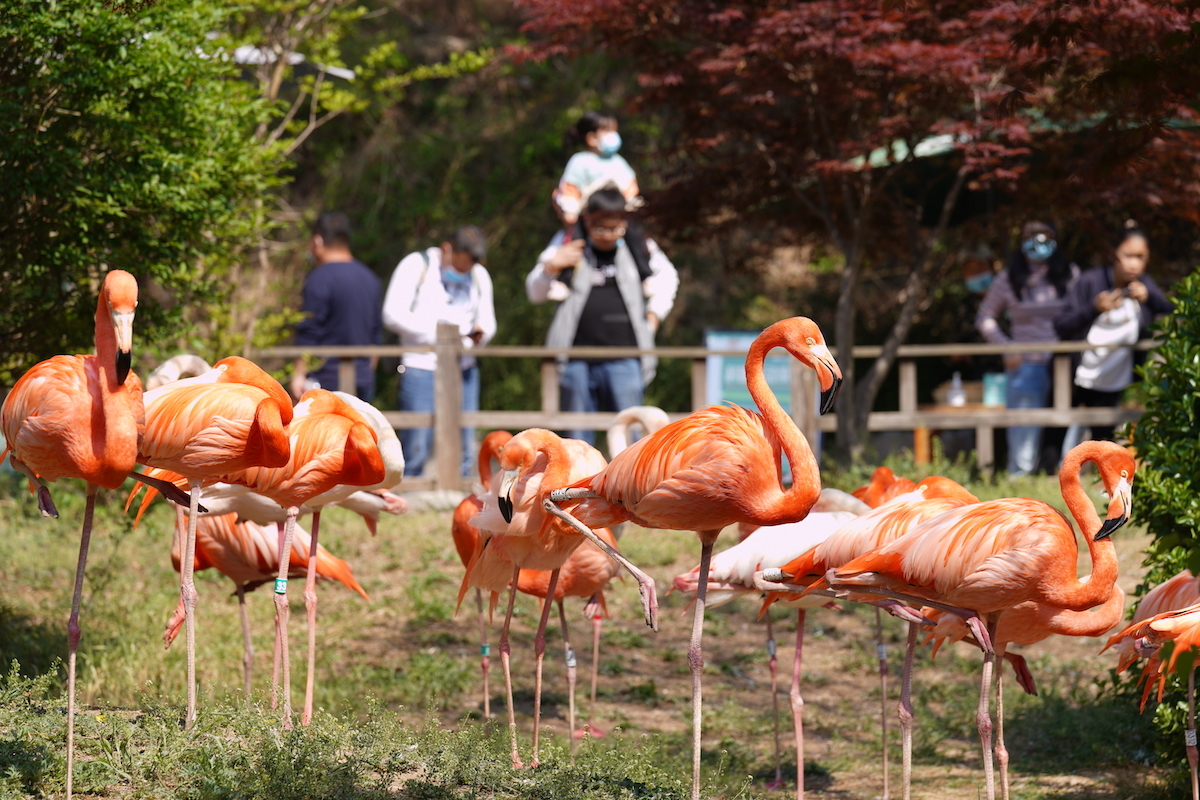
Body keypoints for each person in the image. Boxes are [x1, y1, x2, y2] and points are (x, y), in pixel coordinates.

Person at [527, 185, 678, 445]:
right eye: (600, 228)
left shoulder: (638, 245)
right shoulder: (567, 241)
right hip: (575, 358)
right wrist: (552, 266)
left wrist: (653, 318)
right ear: (588, 220)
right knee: (576, 440)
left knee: (631, 437)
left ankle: (630, 487)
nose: (608, 235)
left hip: (626, 357)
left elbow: (668, 278)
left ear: (624, 222)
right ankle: (576, 487)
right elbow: (535, 293)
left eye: (615, 227)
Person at [381, 225, 495, 477]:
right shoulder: (416, 265)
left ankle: (462, 496)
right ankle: (409, 494)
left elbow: (487, 324)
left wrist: (470, 340)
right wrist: (440, 337)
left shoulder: (478, 276)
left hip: (463, 368)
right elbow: (392, 314)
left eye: (468, 268)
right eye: (459, 266)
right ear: (447, 249)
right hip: (420, 363)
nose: (463, 273)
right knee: (417, 440)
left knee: (466, 439)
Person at [975, 220, 1079, 477]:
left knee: (1066, 425)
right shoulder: (1008, 279)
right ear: (1021, 241)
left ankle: (1063, 479)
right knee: (1023, 429)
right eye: (1031, 235)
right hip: (1025, 366)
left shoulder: (1071, 274)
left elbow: (1083, 314)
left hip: (1064, 364)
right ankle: (1019, 481)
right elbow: (985, 317)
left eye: (1045, 235)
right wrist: (1006, 346)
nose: (1039, 241)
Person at [1054, 220, 1173, 443]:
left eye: (1141, 257)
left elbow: (1173, 309)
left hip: (1114, 379)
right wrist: (1094, 309)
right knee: (1055, 436)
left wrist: (1150, 298)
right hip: (1076, 375)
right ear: (1113, 254)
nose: (1134, 264)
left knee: (1105, 443)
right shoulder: (1090, 281)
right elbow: (1061, 325)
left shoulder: (1144, 284)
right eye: (1128, 255)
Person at [291, 212, 382, 402]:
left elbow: (310, 330)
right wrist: (367, 372)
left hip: (325, 381)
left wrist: (299, 373)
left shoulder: (319, 278)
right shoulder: (369, 278)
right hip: (363, 379)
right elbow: (375, 335)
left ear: (317, 241)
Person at [552, 111, 642, 228]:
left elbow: (630, 187)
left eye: (615, 131)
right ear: (592, 138)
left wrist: (633, 205)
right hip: (587, 219)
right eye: (608, 131)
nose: (614, 135)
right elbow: (570, 189)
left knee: (636, 236)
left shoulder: (618, 161)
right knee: (577, 241)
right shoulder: (580, 161)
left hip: (618, 218)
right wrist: (570, 211)